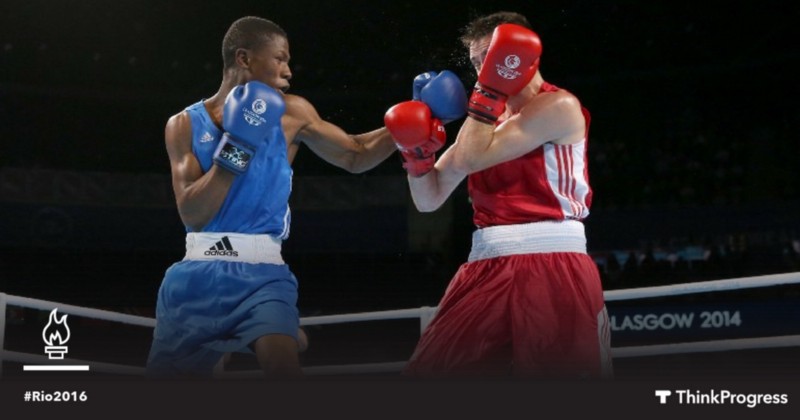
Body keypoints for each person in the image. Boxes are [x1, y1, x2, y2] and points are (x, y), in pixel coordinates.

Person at [145, 16, 405, 378]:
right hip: (196, 276)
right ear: (244, 58)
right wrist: (238, 148)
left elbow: (355, 154)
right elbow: (192, 213)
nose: (288, 71)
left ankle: (278, 328)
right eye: (280, 58)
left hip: (262, 275)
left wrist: (408, 124)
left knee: (283, 370)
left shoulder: (292, 111)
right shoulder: (183, 124)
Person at [384, 11, 613, 378]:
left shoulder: (558, 106)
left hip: (551, 261)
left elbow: (473, 157)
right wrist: (416, 155)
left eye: (490, 58)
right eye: (476, 64)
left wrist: (486, 97)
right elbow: (429, 200)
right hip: (485, 263)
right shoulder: (484, 123)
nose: (481, 72)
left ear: (521, 53)